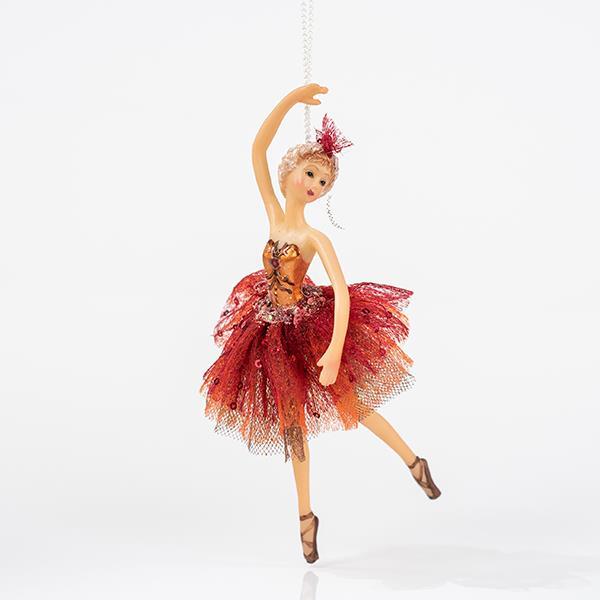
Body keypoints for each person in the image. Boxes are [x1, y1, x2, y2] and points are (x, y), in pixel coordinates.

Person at [198, 83, 441, 564]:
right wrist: (291, 100)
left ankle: (414, 461)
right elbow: (257, 149)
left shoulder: (314, 237)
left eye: (324, 182)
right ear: (291, 171)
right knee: (292, 425)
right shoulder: (274, 216)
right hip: (269, 329)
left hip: (308, 326)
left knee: (353, 405)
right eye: (311, 174)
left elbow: (343, 292)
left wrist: (333, 350)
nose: (315, 185)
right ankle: (305, 517)